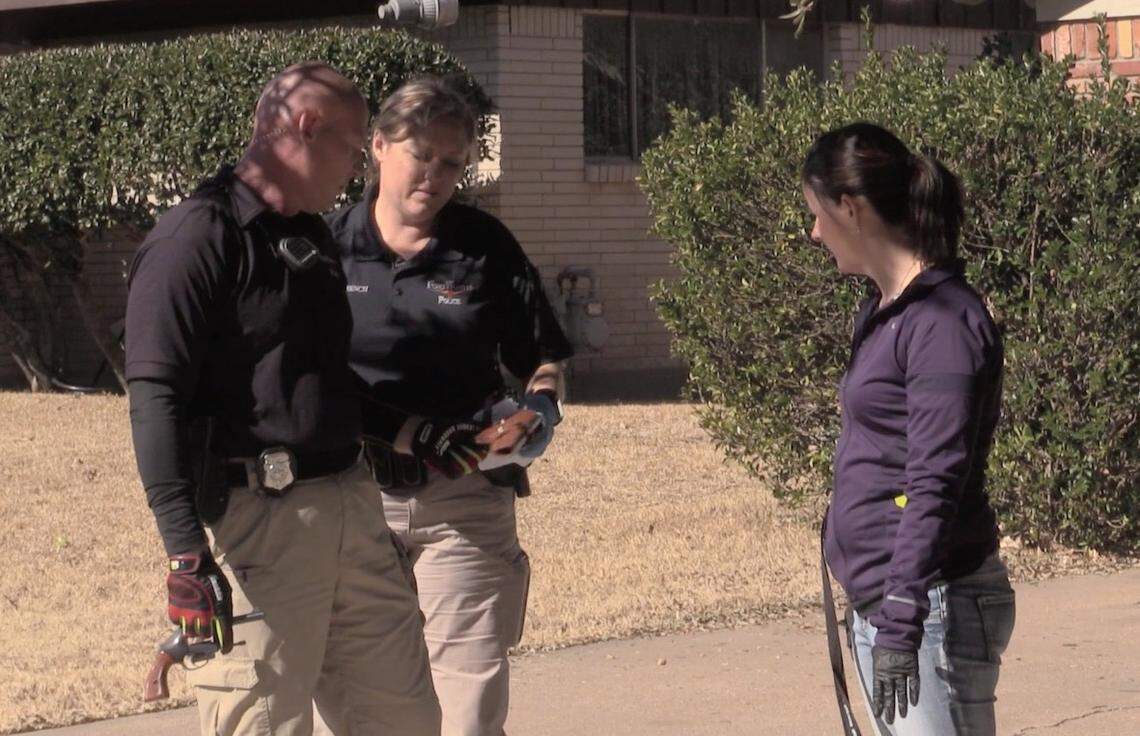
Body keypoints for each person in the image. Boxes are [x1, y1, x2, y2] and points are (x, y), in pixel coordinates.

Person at [125, 62, 441, 736]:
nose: (357, 170)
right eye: (355, 148)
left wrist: (418, 433)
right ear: (306, 125)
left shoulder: (310, 237)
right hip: (260, 527)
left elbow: (321, 381)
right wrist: (184, 555)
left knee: (403, 719)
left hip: (354, 513)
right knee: (262, 724)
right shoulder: (196, 238)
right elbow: (155, 400)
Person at [323, 76, 573, 736]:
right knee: (357, 696)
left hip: (462, 499)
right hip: (354, 501)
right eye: (420, 155)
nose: (434, 175)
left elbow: (543, 356)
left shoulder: (484, 247)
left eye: (452, 163)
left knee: (468, 702)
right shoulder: (326, 248)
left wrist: (539, 411)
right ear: (378, 146)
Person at [802, 122, 1015, 736]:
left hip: (930, 608)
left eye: (818, 213)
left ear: (851, 207)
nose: (814, 231)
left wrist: (900, 619)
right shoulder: (885, 311)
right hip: (897, 604)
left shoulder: (943, 324)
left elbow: (934, 482)